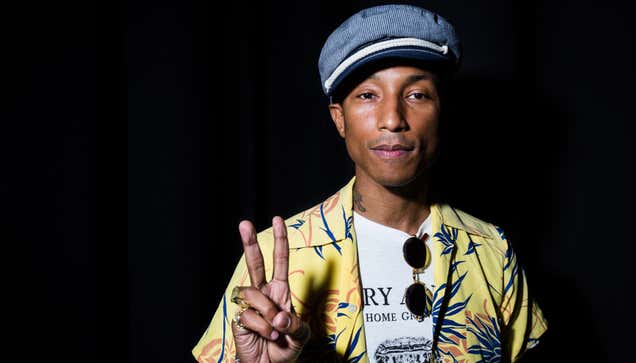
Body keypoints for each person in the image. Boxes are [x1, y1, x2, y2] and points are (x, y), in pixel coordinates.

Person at [192, 4, 547, 363]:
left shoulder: (492, 251)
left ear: (443, 113)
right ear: (339, 119)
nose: (392, 119)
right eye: (367, 95)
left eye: (417, 94)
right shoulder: (275, 257)